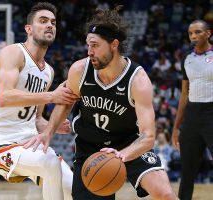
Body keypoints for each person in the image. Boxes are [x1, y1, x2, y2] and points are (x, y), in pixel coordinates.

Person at [27, 6, 177, 200]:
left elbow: (148, 136)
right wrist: (48, 132)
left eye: (95, 45)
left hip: (128, 143)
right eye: (88, 45)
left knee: (165, 194)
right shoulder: (79, 70)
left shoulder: (137, 80)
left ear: (114, 44)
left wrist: (121, 155)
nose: (89, 51)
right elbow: (65, 103)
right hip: (90, 148)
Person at [0, 2, 77, 200]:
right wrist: (51, 96)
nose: (50, 25)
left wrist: (52, 125)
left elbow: (36, 118)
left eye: (53, 22)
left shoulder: (48, 72)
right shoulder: (13, 53)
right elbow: (5, 97)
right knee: (50, 162)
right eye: (43, 21)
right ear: (29, 29)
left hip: (29, 142)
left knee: (74, 188)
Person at [172, 19, 213, 200]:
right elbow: (184, 94)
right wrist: (176, 126)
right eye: (190, 33)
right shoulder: (187, 59)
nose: (193, 36)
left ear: (208, 34)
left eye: (197, 32)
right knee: (187, 171)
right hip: (191, 118)